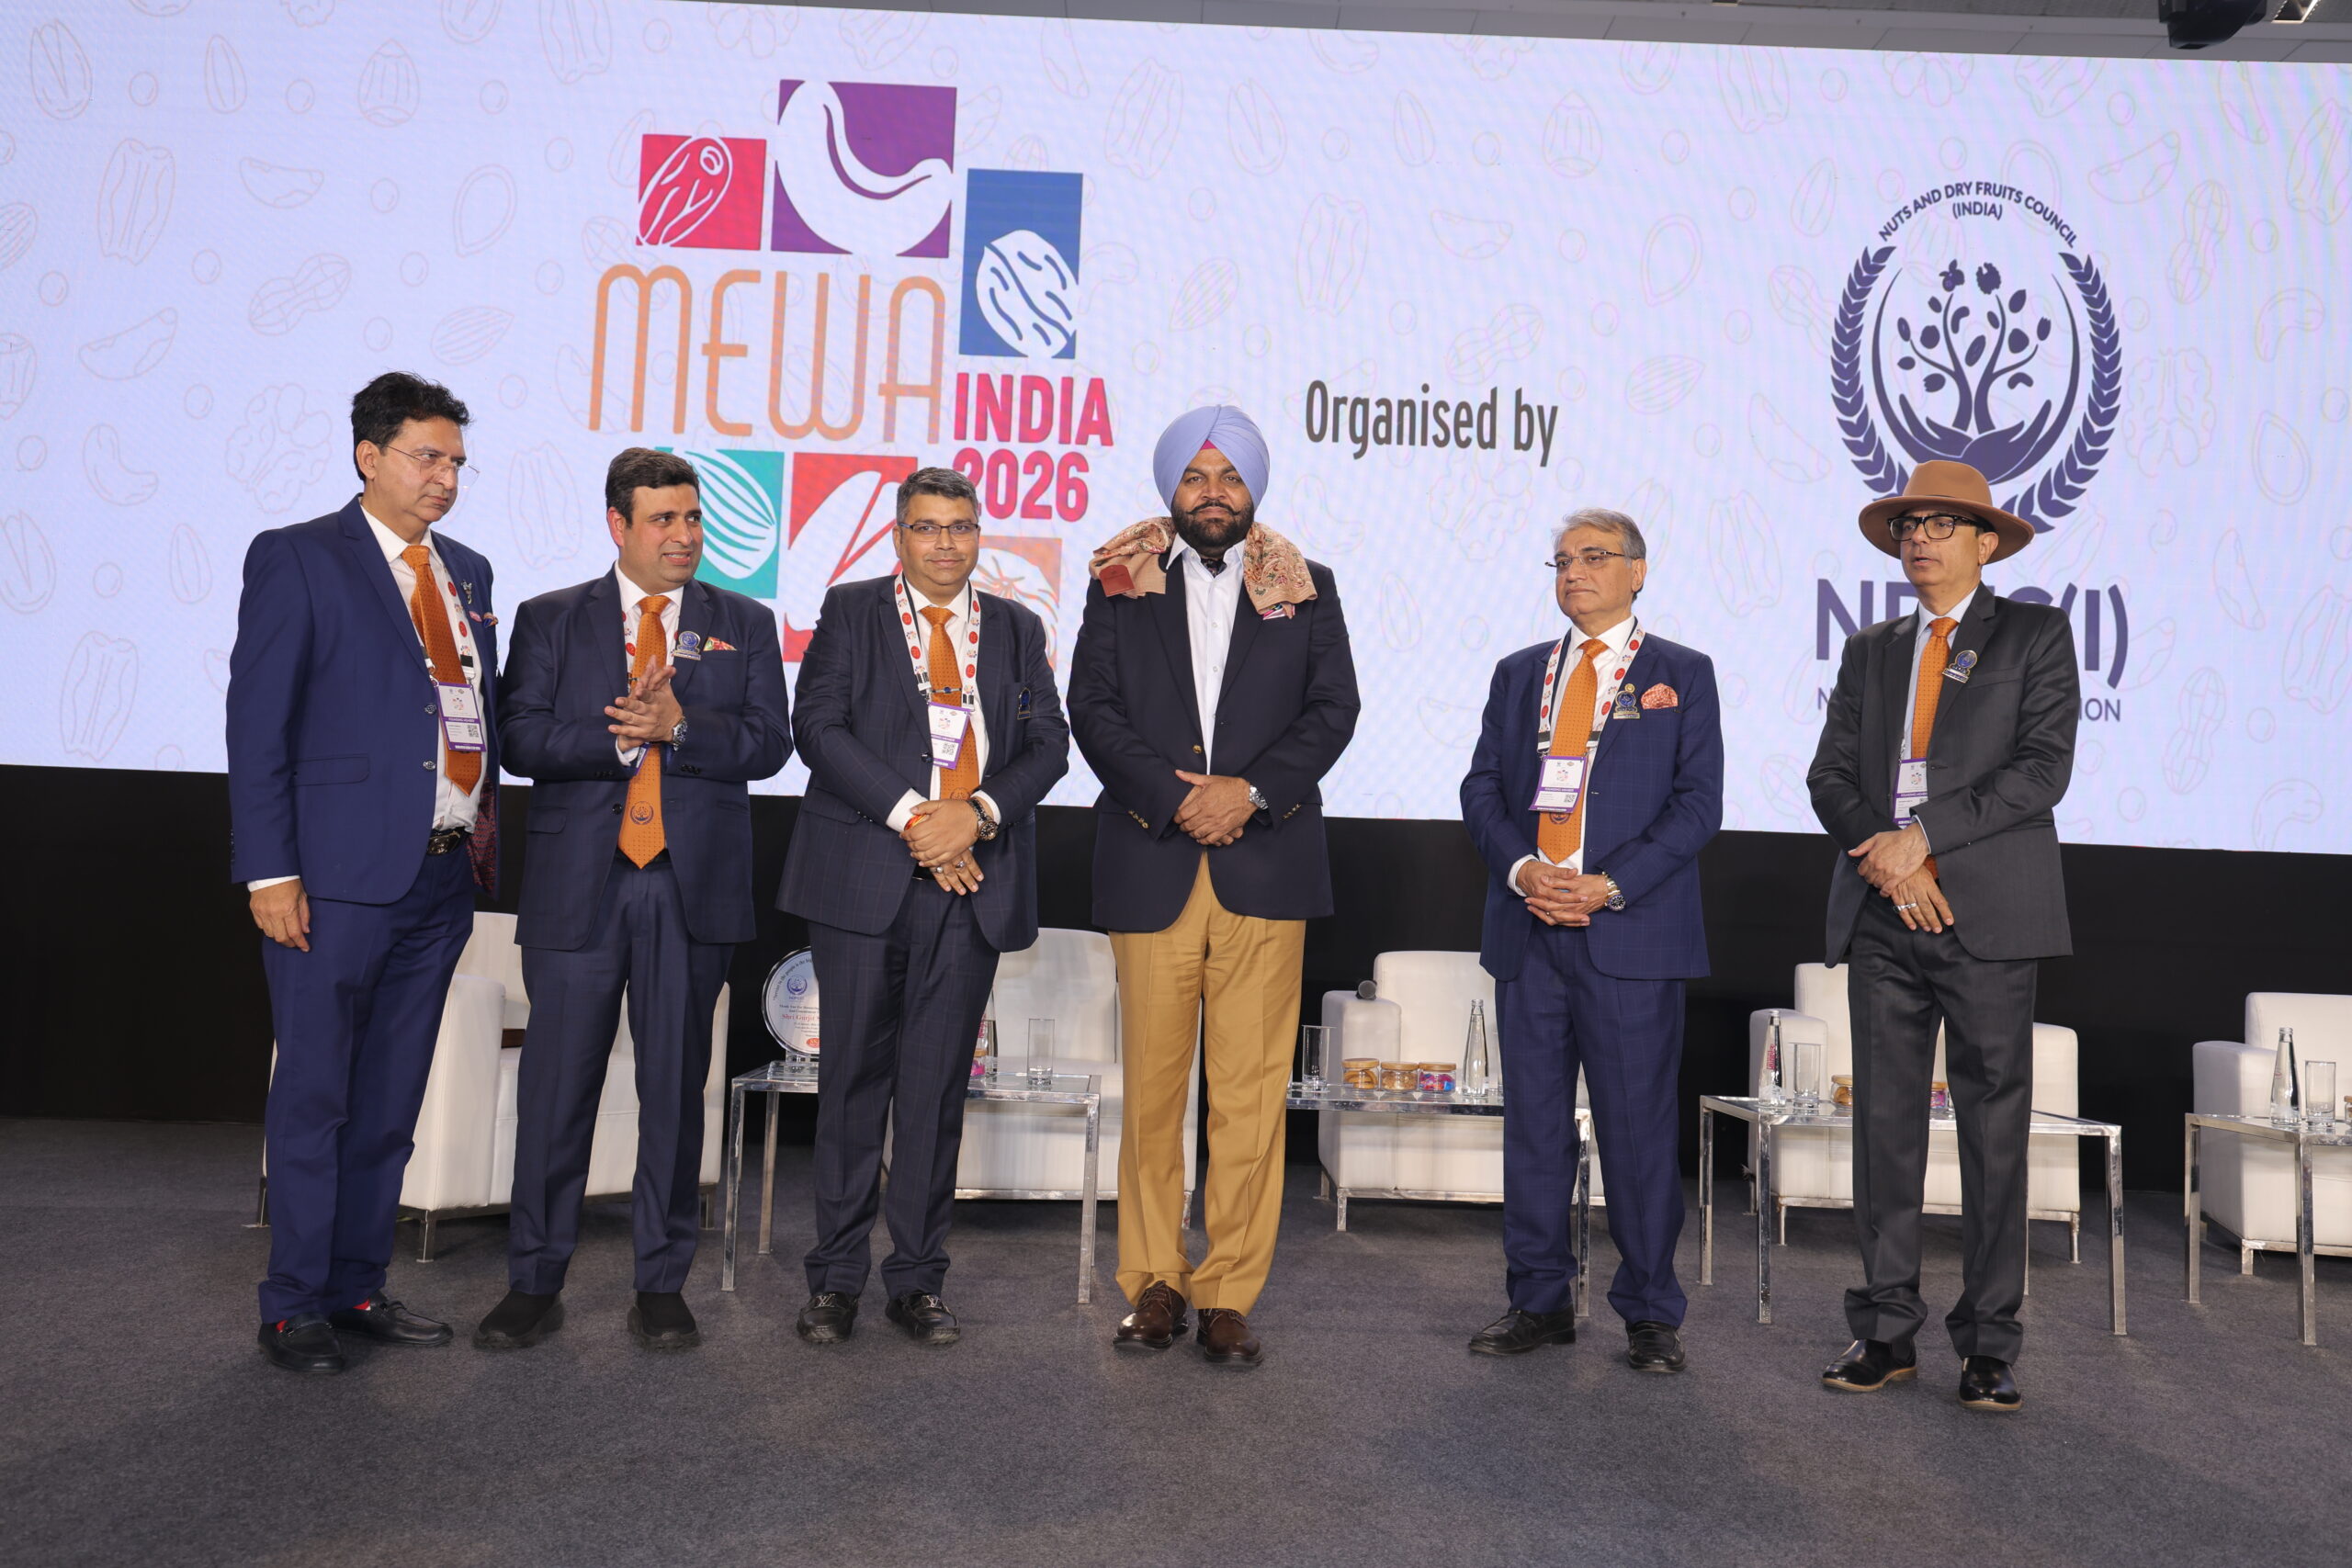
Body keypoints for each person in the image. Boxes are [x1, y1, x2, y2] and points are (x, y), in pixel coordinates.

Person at [474, 448, 789, 1353]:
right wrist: (621, 738)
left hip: (692, 891)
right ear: (619, 524)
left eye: (693, 518)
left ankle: (660, 1284)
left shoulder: (743, 622)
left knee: (674, 1094)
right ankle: (534, 1281)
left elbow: (770, 743)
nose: (684, 536)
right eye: (664, 520)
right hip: (580, 888)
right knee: (555, 1092)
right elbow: (521, 737)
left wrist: (682, 726)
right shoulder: (550, 618)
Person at [1069, 406, 1360, 1370]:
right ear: (1171, 487)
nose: (1213, 492)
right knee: (1153, 1095)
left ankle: (1228, 1290)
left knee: (1249, 1099)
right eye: (1196, 476)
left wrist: (1251, 793)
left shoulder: (1306, 586)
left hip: (1265, 864)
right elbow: (1092, 709)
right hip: (1153, 856)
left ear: (1253, 488)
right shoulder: (1118, 580)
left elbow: (1333, 710)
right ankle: (1154, 1283)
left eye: (1230, 476)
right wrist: (1175, 798)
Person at [229, 371, 498, 1374]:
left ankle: (354, 1284)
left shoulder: (467, 570)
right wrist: (269, 871)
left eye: (457, 462)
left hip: (441, 878)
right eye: (428, 458)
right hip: (333, 880)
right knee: (316, 1098)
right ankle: (293, 1303)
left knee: (388, 1105)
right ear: (369, 456)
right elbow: (257, 726)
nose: (446, 478)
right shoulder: (299, 557)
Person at [775, 467, 1070, 1348]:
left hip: (971, 881)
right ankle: (835, 1280)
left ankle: (917, 1280)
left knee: (937, 1092)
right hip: (865, 877)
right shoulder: (851, 610)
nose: (946, 543)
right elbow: (817, 728)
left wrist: (974, 815)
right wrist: (917, 820)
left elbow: (1048, 743)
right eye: (928, 527)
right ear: (898, 536)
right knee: (851, 1086)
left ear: (980, 535)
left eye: (962, 526)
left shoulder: (1015, 626)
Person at [1807, 459, 2078, 1413]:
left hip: (1987, 918)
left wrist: (1922, 839)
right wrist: (1891, 860)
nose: (1917, 538)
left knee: (1993, 1131)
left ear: (1985, 542)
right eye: (1907, 525)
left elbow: (2041, 770)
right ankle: (1884, 1329)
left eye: (1939, 524)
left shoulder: (2035, 634)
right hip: (1885, 913)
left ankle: (1989, 1343)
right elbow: (1829, 777)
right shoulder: (1870, 648)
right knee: (1884, 1126)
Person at [1458, 508, 1723, 1373]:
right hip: (1530, 928)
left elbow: (1698, 806)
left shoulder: (1682, 673)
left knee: (1637, 1132)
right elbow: (1481, 789)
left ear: (1637, 571)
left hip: (1628, 932)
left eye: (1595, 557)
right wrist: (1523, 870)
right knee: (1534, 1128)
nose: (1574, 571)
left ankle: (1649, 1312)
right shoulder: (1519, 673)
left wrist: (1609, 884)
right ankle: (1538, 1301)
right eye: (1563, 560)